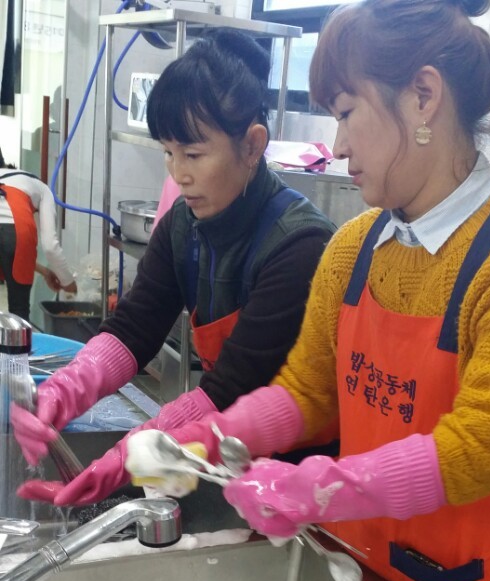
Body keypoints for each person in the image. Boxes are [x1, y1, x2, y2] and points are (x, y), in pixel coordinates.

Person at [125, 0, 490, 581]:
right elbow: (309, 391)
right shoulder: (355, 248)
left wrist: (322, 487)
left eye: (346, 113)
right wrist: (215, 436)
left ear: (424, 96)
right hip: (356, 577)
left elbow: (483, 444)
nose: (338, 145)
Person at [11, 27, 335, 501]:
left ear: (252, 145)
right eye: (168, 152)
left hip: (303, 474)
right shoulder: (184, 226)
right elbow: (133, 329)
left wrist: (132, 455)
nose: (178, 174)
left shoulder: (300, 247)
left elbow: (230, 389)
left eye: (194, 154)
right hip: (226, 458)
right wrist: (65, 390)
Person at [0, 148, 77, 319]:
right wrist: (68, 282)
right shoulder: (41, 188)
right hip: (16, 234)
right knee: (18, 313)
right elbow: (50, 246)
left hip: (13, 238)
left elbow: (7, 249)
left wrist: (45, 272)